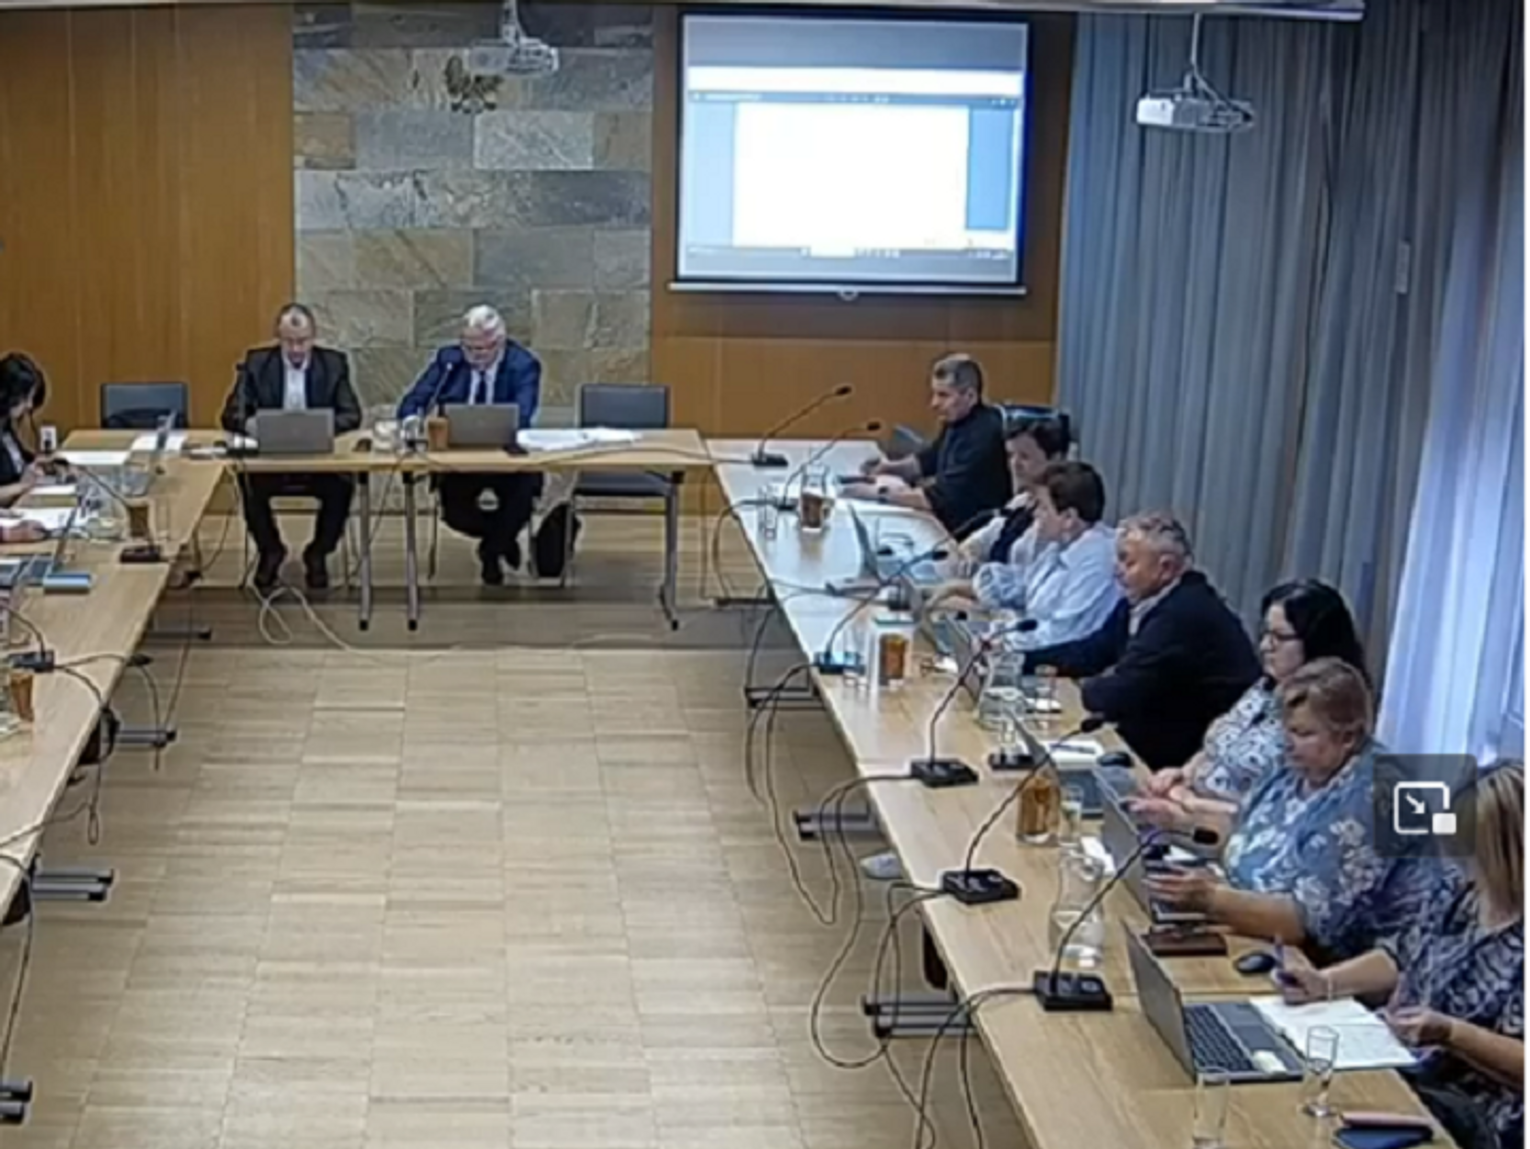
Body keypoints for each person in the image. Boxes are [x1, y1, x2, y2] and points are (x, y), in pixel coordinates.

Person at [1279, 764, 1523, 1149]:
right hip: (1402, 1060)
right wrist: (1325, 982)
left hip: (1474, 1112)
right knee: (1291, 1081)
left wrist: (1453, 1034)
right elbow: (1402, 955)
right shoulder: (1461, 892)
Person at [1147, 658, 1435, 963]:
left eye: (1303, 733)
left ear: (1348, 737)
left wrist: (1211, 899)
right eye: (1287, 730)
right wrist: (1175, 824)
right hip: (1249, 928)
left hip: (1327, 966)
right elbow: (1244, 833)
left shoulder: (1376, 795)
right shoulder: (1295, 764)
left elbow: (1303, 924)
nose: (1288, 743)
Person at [1020, 512, 1260, 769]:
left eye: (1128, 562)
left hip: (1196, 756)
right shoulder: (1144, 599)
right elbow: (1093, 651)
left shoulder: (1184, 613)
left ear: (1166, 568)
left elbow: (1122, 692)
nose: (1117, 571)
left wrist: (1084, 689)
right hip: (1160, 734)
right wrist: (1022, 660)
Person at [1130, 579, 1369, 827]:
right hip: (1184, 806)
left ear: (1315, 642)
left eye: (1279, 637)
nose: (1265, 646)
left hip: (1223, 829)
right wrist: (1183, 775)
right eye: (1265, 634)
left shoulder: (1320, 717)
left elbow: (1278, 816)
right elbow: (1217, 748)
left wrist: (1190, 805)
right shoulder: (1265, 687)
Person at [397, 305, 575, 586]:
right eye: (468, 347)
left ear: (500, 341)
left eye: (483, 349)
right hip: (458, 458)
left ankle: (490, 550)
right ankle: (501, 540)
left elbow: (523, 414)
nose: (475, 355)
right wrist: (410, 419)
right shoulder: (449, 360)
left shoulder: (522, 364)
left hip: (507, 457)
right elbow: (414, 400)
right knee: (455, 514)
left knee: (522, 498)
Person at [221, 304, 361, 592]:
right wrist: (252, 425)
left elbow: (352, 414)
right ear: (278, 338)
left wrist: (321, 427)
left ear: (314, 337)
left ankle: (318, 553)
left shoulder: (333, 364)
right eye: (289, 341)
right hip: (270, 460)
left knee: (343, 484)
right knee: (248, 482)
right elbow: (231, 414)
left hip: (319, 461)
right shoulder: (257, 364)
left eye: (303, 341)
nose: (296, 349)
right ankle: (271, 550)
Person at [928, 461, 1119, 646]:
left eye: (1043, 507)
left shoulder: (1095, 563)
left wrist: (995, 637)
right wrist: (957, 588)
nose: (1036, 515)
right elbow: (1021, 585)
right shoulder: (1060, 546)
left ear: (1068, 517)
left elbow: (1058, 634)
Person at [842, 354, 1010, 539]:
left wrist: (877, 494)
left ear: (970, 396)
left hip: (964, 537)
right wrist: (889, 468)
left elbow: (938, 499)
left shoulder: (983, 436)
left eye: (943, 395)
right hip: (944, 524)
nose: (934, 404)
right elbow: (929, 460)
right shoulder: (958, 420)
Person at [957, 412, 1071, 567]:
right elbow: (978, 542)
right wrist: (969, 556)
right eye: (1010, 455)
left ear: (1055, 459)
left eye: (1024, 457)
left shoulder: (1056, 520)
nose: (1014, 465)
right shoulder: (1021, 502)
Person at [0, 354, 54, 543]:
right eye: (26, 398)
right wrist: (22, 486)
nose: (30, 406)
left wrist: (43, 463)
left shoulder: (5, 425)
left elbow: (20, 460)